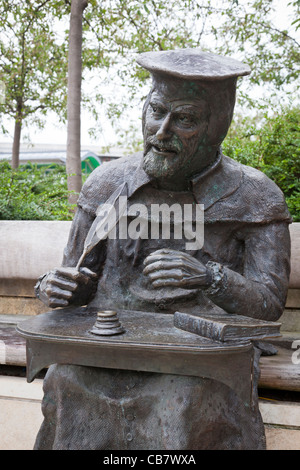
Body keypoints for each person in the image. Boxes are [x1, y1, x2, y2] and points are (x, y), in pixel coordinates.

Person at [33, 50, 291, 450]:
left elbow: (269, 304)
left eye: (184, 119)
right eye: (156, 111)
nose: (161, 130)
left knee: (182, 399)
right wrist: (56, 286)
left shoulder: (255, 196)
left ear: (216, 126)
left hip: (202, 353)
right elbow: (77, 277)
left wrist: (210, 277)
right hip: (112, 345)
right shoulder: (107, 184)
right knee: (67, 379)